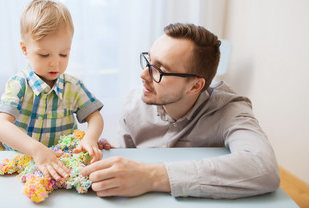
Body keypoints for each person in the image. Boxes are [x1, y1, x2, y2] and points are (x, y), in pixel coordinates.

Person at [82, 23, 280, 199]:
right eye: (149, 61)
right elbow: (132, 161)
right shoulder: (134, 103)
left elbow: (264, 168)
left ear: (195, 86)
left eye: (159, 69)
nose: (143, 75)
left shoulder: (230, 110)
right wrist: (116, 156)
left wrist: (151, 176)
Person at [0, 0, 104, 181]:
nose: (55, 62)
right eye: (44, 54)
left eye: (64, 54)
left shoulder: (73, 86)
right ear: (25, 49)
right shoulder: (18, 84)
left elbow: (95, 117)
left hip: (62, 165)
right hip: (23, 163)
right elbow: (0, 125)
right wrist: (36, 150)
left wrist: (90, 138)